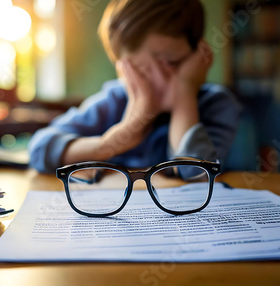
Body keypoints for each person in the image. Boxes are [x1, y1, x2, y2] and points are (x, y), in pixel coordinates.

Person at [29, 0, 242, 174]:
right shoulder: (114, 100)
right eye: (141, 70)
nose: (157, 79)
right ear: (122, 70)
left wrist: (184, 92)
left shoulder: (217, 104)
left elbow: (196, 173)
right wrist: (113, 141)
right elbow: (39, 149)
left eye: (170, 62)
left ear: (198, 58)